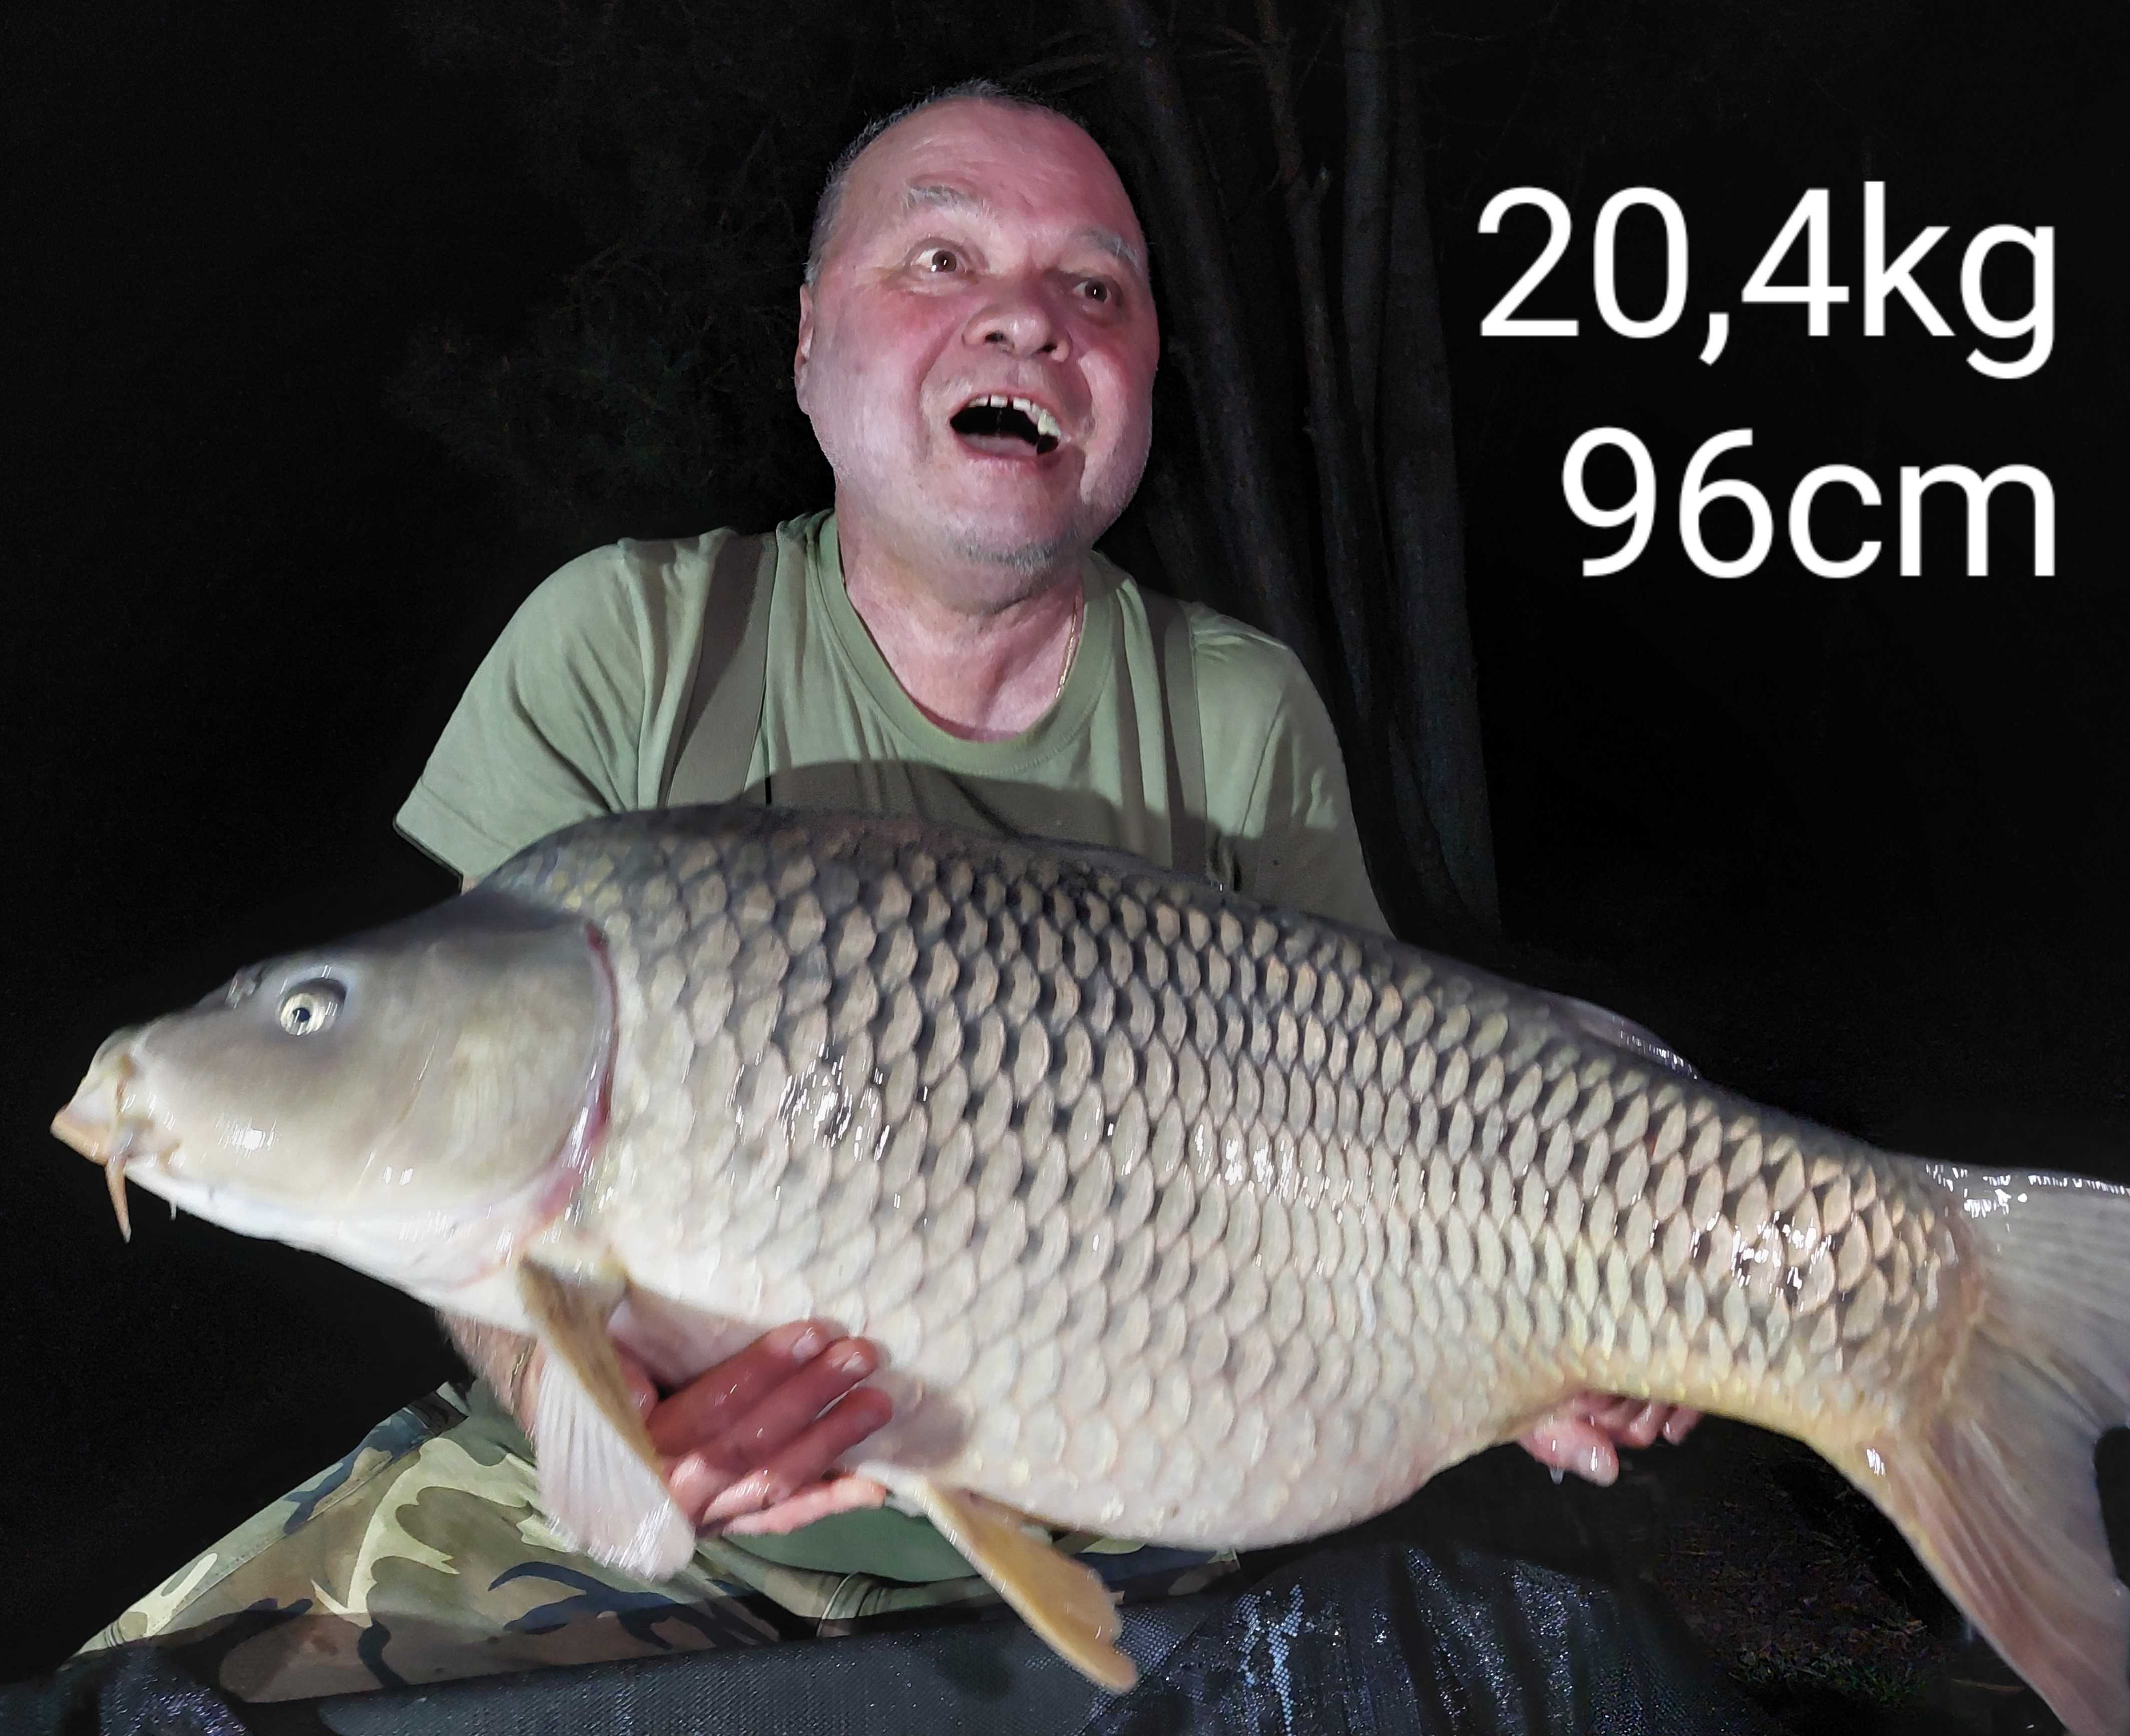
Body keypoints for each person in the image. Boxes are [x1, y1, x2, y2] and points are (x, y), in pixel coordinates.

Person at [80, 81, 1694, 1700]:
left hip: (1125, 1517)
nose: (1028, 318)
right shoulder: (625, 646)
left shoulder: (1239, 715)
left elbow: (1402, 1159)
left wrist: (1561, 1307)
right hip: (636, 1538)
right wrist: (593, 1406)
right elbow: (490, 1200)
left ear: (1142, 381)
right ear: (808, 344)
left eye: (1095, 287)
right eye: (941, 258)